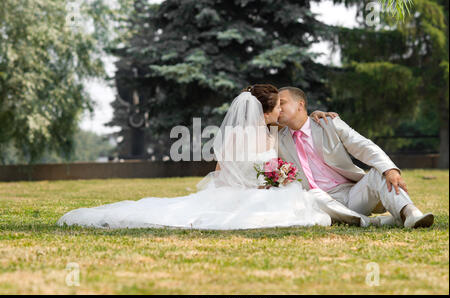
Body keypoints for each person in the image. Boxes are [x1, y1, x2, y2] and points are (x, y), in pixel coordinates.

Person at [57, 84, 377, 230]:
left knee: (306, 205)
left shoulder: (273, 134)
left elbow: (300, 129)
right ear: (266, 110)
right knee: (301, 209)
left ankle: (358, 218)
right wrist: (263, 183)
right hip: (240, 192)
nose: (282, 110)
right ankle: (359, 219)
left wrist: (317, 114)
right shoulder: (242, 135)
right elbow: (225, 169)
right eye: (277, 106)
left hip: (265, 188)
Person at [277, 86, 434, 229]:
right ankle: (374, 222)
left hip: (352, 195)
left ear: (300, 105)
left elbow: (362, 145)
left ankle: (410, 212)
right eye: (275, 105)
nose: (277, 108)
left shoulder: (329, 123)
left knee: (379, 172)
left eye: (281, 103)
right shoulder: (277, 139)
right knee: (311, 195)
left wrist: (390, 169)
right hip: (319, 203)